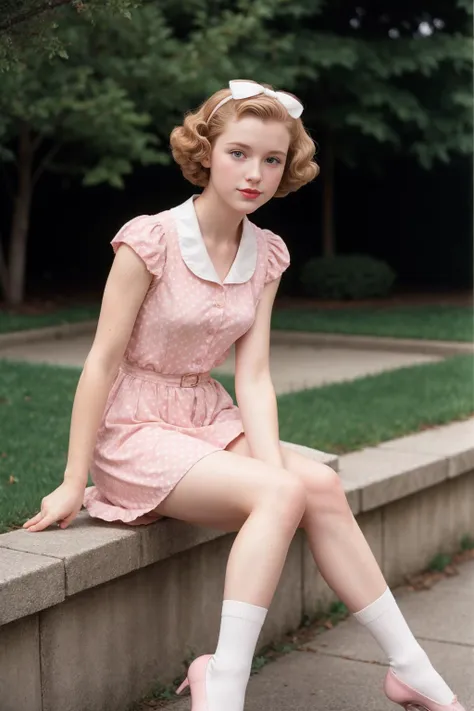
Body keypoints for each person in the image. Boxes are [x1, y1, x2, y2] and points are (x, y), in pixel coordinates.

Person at [23, 80, 464, 711]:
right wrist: (73, 479)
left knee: (318, 485)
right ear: (206, 152)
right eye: (238, 153)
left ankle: (409, 667)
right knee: (283, 489)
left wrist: (265, 456)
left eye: (271, 159)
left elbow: (252, 375)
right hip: (134, 429)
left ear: (287, 166)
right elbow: (100, 362)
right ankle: (223, 684)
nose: (254, 173)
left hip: (206, 416)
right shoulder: (150, 240)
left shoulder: (268, 255)